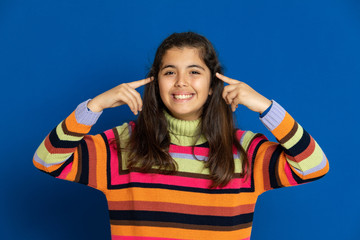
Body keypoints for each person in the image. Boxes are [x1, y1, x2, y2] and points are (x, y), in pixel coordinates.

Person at [33, 32, 329, 240]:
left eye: (195, 72)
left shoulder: (244, 150)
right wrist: (93, 107)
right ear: (155, 81)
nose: (182, 82)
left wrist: (267, 108)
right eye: (170, 72)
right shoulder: (123, 145)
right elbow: (47, 160)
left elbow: (314, 166)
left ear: (213, 84)